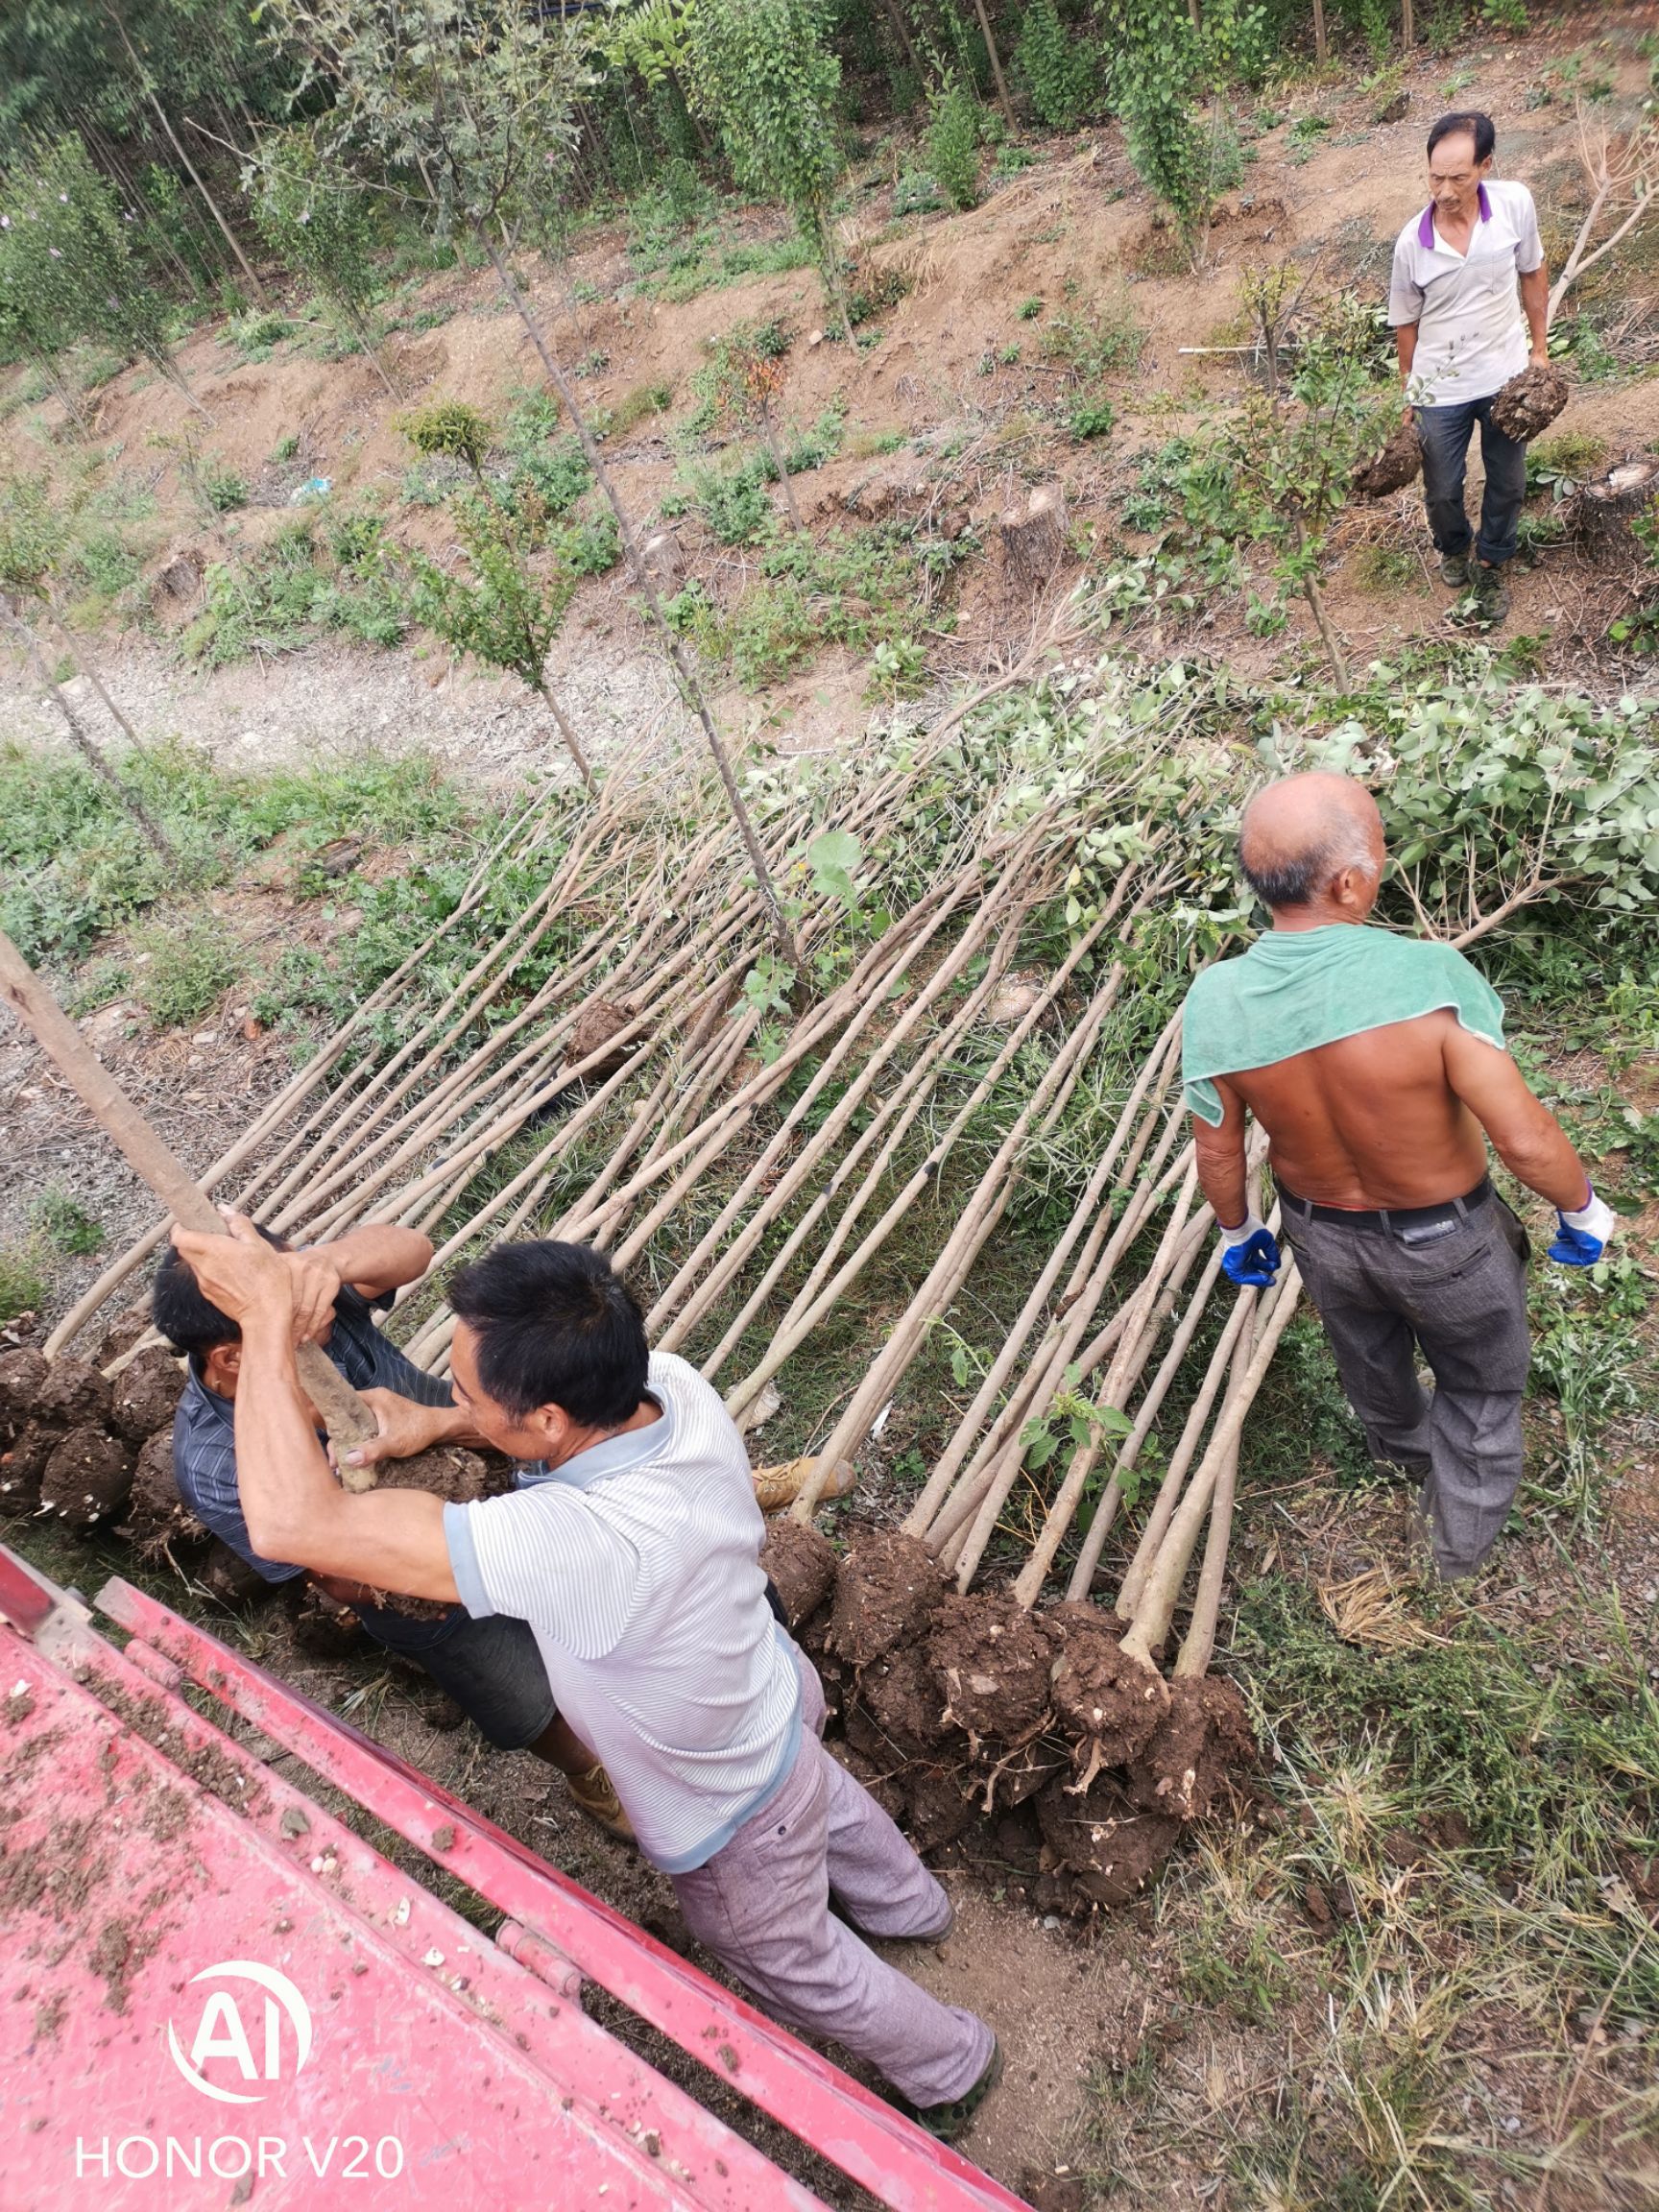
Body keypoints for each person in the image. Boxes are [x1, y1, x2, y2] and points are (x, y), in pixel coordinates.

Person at [162, 1222, 1002, 2142]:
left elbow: (292, 1525)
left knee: (785, 1953)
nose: (456, 1399)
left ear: (548, 1424)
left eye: (469, 1395)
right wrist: (438, 1422)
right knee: (824, 1795)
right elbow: (509, 1432)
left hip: (722, 1798)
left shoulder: (577, 1544)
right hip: (766, 1683)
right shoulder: (667, 1384)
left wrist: (269, 1312)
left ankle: (951, 2064)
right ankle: (912, 1906)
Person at [1181, 771, 1615, 1581]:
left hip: (1322, 1234)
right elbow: (1521, 1137)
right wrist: (1581, 1210)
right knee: (1482, 1387)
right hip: (1448, 1240)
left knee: (1369, 1353)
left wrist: (1240, 1232)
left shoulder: (1218, 1000)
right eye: (1379, 848)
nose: (1383, 862)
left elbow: (1217, 1151)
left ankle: (1402, 1450)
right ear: (1350, 882)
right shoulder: (1428, 978)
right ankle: (1455, 1553)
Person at [152, 1218, 630, 1838]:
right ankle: (589, 1774)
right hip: (425, 1597)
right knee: (520, 1694)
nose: (317, 1312)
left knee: (594, 1614)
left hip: (485, 1459)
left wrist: (322, 1265)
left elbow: (413, 1249)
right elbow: (330, 1574)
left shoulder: (314, 1304)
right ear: (232, 1356)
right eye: (284, 1305)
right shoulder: (216, 1462)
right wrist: (441, 1573)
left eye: (298, 1281)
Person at [1388, 110, 1550, 629]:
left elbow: (1532, 271)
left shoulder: (1513, 205)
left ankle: (1491, 559)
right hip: (1441, 386)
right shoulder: (1413, 242)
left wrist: (1539, 351)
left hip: (1504, 378)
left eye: (1459, 176)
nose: (1445, 190)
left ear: (1485, 165)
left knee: (1507, 482)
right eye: (1436, 177)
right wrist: (1409, 389)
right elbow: (1406, 323)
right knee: (1441, 488)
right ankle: (1454, 546)